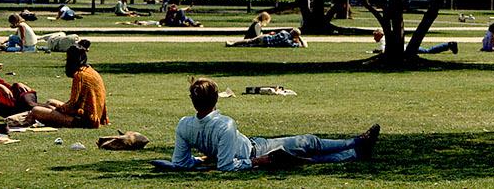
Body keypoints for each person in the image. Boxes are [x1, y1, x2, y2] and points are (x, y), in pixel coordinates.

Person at [153, 78, 379, 171]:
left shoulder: (185, 125)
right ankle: (358, 143)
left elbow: (181, 162)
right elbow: (227, 166)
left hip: (252, 149)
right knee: (310, 144)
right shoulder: (225, 124)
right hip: (257, 150)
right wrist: (257, 161)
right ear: (216, 98)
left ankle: (358, 149)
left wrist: (203, 159)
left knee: (310, 157)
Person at [23, 47, 108, 128]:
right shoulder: (90, 71)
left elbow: (72, 105)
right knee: (50, 102)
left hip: (84, 120)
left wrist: (59, 109)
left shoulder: (79, 75)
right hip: (93, 115)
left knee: (36, 110)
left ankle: (25, 122)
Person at [227, 28, 305, 48]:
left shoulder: (284, 32)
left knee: (249, 41)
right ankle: (234, 45)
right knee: (249, 45)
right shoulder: (288, 42)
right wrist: (299, 38)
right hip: (267, 43)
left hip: (265, 37)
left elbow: (274, 34)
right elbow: (305, 46)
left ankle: (232, 43)